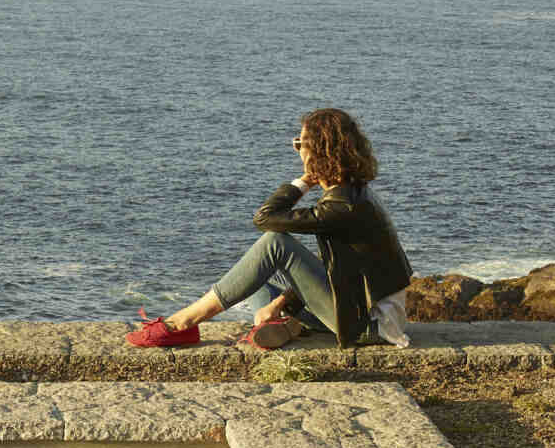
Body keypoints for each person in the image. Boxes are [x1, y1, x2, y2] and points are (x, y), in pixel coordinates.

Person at [126, 107, 414, 351]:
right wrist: (279, 301)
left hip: (371, 326)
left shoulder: (341, 207)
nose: (299, 151)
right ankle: (288, 324)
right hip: (357, 308)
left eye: (301, 145)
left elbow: (265, 218)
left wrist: (302, 182)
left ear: (319, 151)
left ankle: (183, 323)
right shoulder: (353, 193)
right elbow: (336, 270)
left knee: (274, 243)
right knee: (252, 280)